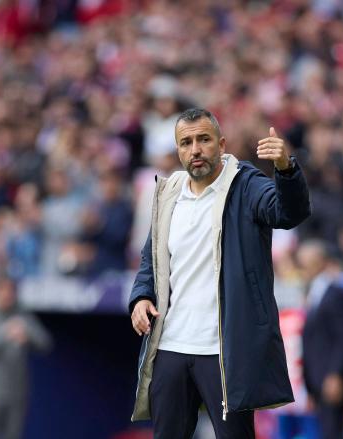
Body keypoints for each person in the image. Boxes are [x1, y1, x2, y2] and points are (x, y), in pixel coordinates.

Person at [128, 108, 311, 438]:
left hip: (224, 351)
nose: (195, 149)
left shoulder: (245, 184)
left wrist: (286, 168)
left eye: (203, 139)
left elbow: (288, 212)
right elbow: (150, 259)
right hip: (170, 345)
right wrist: (141, 297)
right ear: (178, 149)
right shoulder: (168, 193)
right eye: (186, 142)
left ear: (221, 144)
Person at [0, 276, 53, 439]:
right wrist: (4, 333)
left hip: (18, 392)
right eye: (3, 290)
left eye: (11, 291)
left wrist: (27, 335)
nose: (7, 295)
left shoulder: (22, 315)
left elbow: (45, 344)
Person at [302, 283, 343, 439]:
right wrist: (308, 384)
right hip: (316, 382)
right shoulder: (313, 292)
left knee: (332, 431)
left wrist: (335, 373)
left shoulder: (334, 294)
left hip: (329, 381)